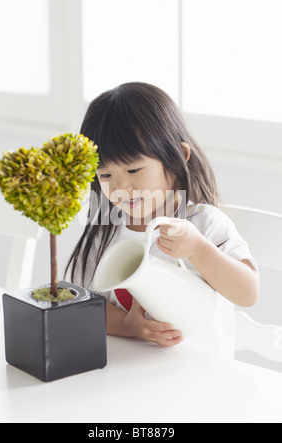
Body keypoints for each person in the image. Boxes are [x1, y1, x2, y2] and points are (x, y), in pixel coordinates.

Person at [65, 82, 259, 359]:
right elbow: (83, 304)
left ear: (178, 157)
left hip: (203, 379)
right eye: (105, 175)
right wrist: (127, 325)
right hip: (126, 377)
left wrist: (199, 250)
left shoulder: (204, 224)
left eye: (134, 169)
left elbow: (247, 294)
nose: (120, 186)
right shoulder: (104, 230)